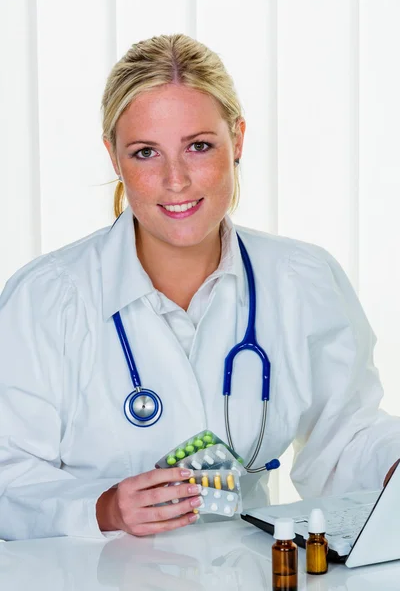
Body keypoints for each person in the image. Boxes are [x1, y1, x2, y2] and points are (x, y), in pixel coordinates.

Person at [0, 33, 399, 542]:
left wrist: (394, 463)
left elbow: (344, 438)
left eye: (199, 146)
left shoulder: (302, 279)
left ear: (238, 139)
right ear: (113, 157)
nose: (176, 179)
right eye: (146, 152)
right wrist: (103, 509)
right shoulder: (44, 300)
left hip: (249, 572)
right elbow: (6, 475)